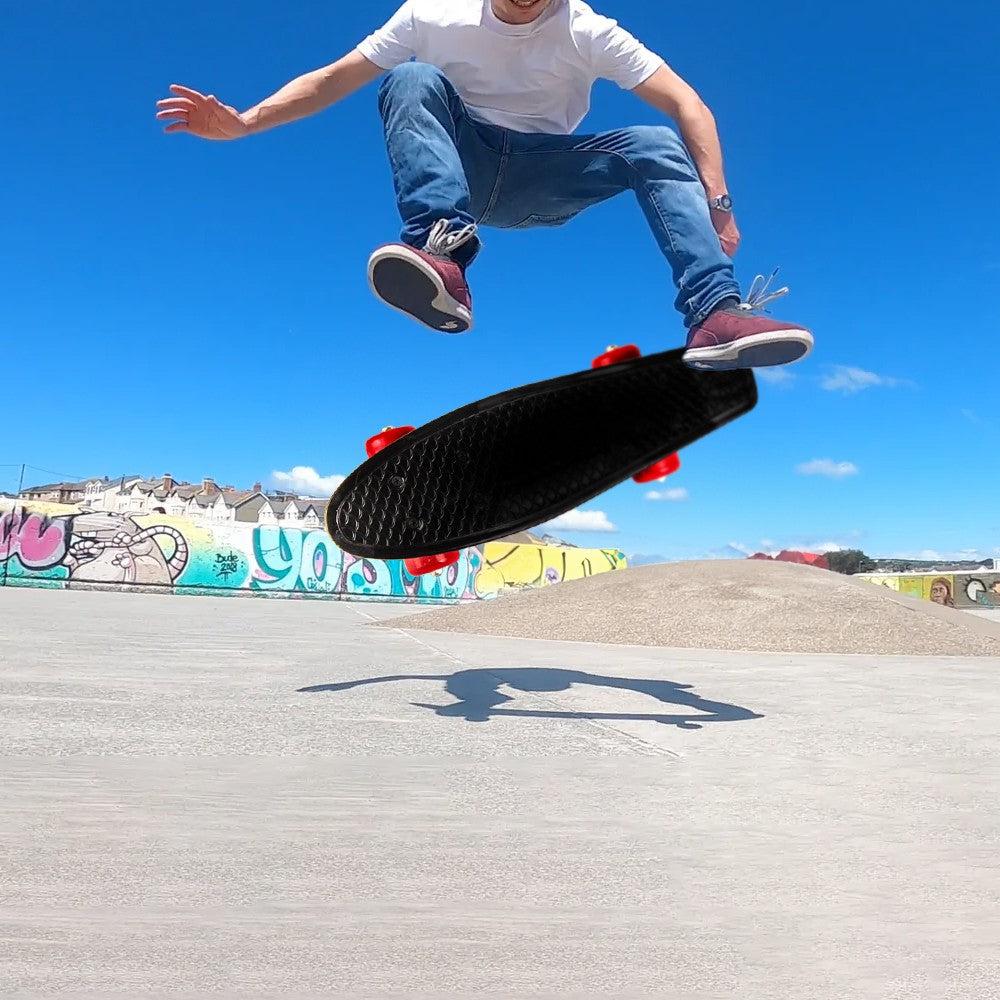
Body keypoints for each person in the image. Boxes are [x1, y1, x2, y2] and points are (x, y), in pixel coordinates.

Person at [156, 0, 814, 370]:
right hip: (464, 166)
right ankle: (441, 254)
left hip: (544, 176)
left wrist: (719, 203)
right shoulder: (430, 13)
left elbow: (687, 102)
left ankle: (715, 315)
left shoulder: (590, 30)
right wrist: (246, 122)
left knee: (654, 141)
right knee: (411, 79)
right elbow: (334, 77)